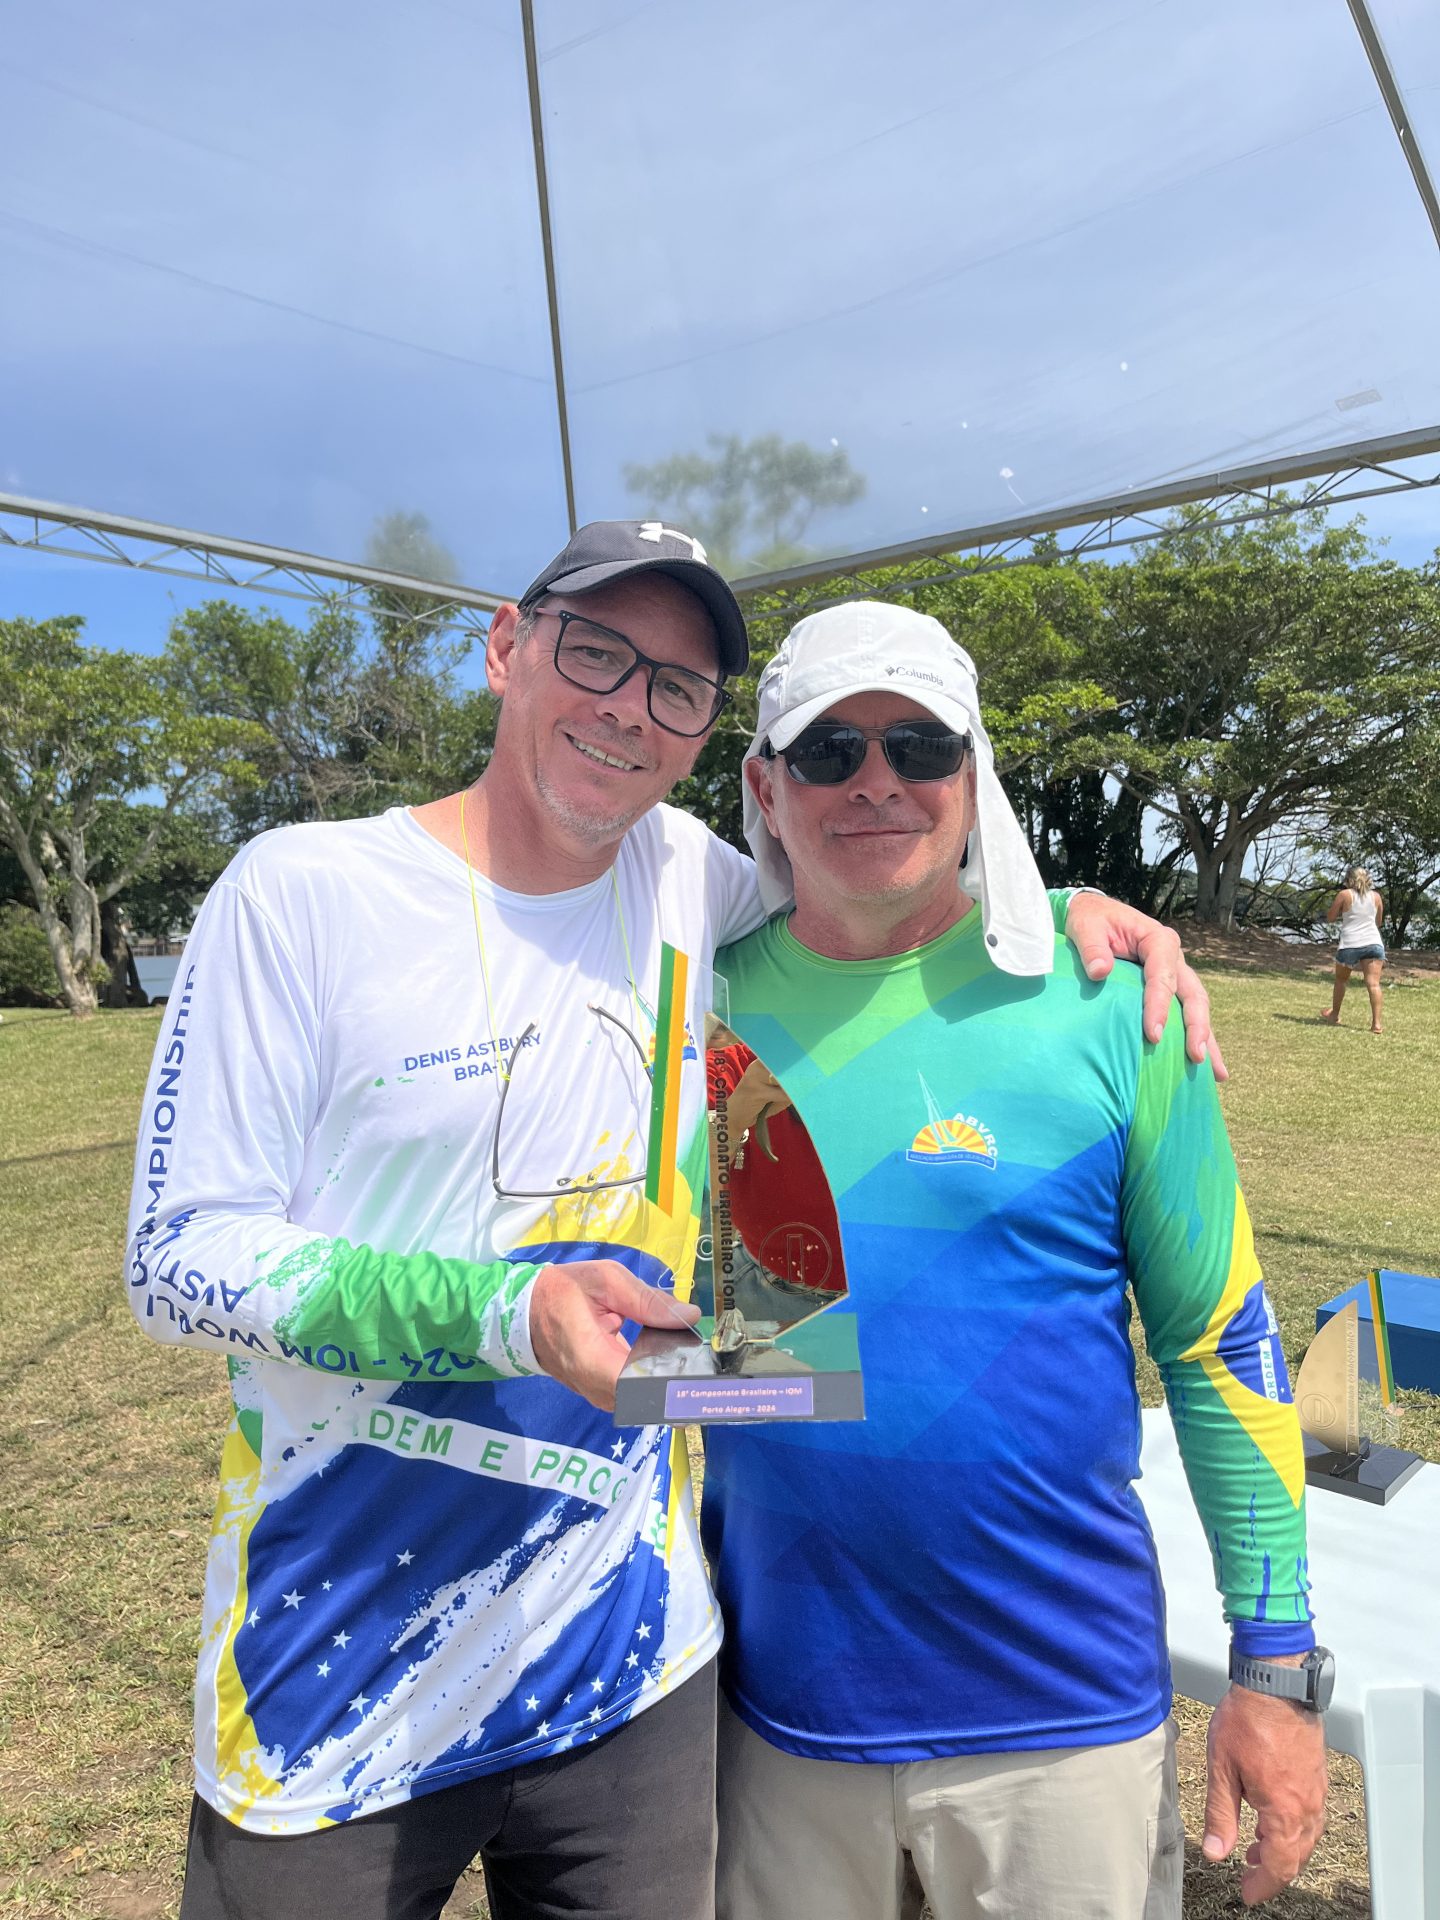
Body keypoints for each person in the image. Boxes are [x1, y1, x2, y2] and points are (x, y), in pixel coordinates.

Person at [124, 522, 1220, 1920]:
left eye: (679, 686)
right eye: (596, 652)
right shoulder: (303, 893)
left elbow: (894, 884)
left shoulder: (699, 885)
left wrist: (1073, 914)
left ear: (708, 737)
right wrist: (507, 1315)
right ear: (506, 647)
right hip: (341, 1673)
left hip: (636, 1684)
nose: (631, 707)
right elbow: (175, 1258)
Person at [701, 601, 1330, 1920]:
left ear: (974, 773)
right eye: (829, 750)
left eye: (922, 746)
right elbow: (688, 1337)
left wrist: (1275, 1668)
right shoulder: (689, 1000)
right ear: (764, 788)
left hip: (1063, 1721)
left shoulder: (1112, 1000)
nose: (877, 781)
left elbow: (1219, 1341)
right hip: (777, 1717)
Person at [1320, 865, 1385, 1034]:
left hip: (1350, 944)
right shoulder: (1376, 897)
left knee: (1341, 980)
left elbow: (1330, 917)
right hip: (1373, 943)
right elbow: (1378, 923)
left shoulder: (1344, 895)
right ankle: (1376, 1024)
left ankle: (1334, 1015)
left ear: (1349, 880)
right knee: (1373, 984)